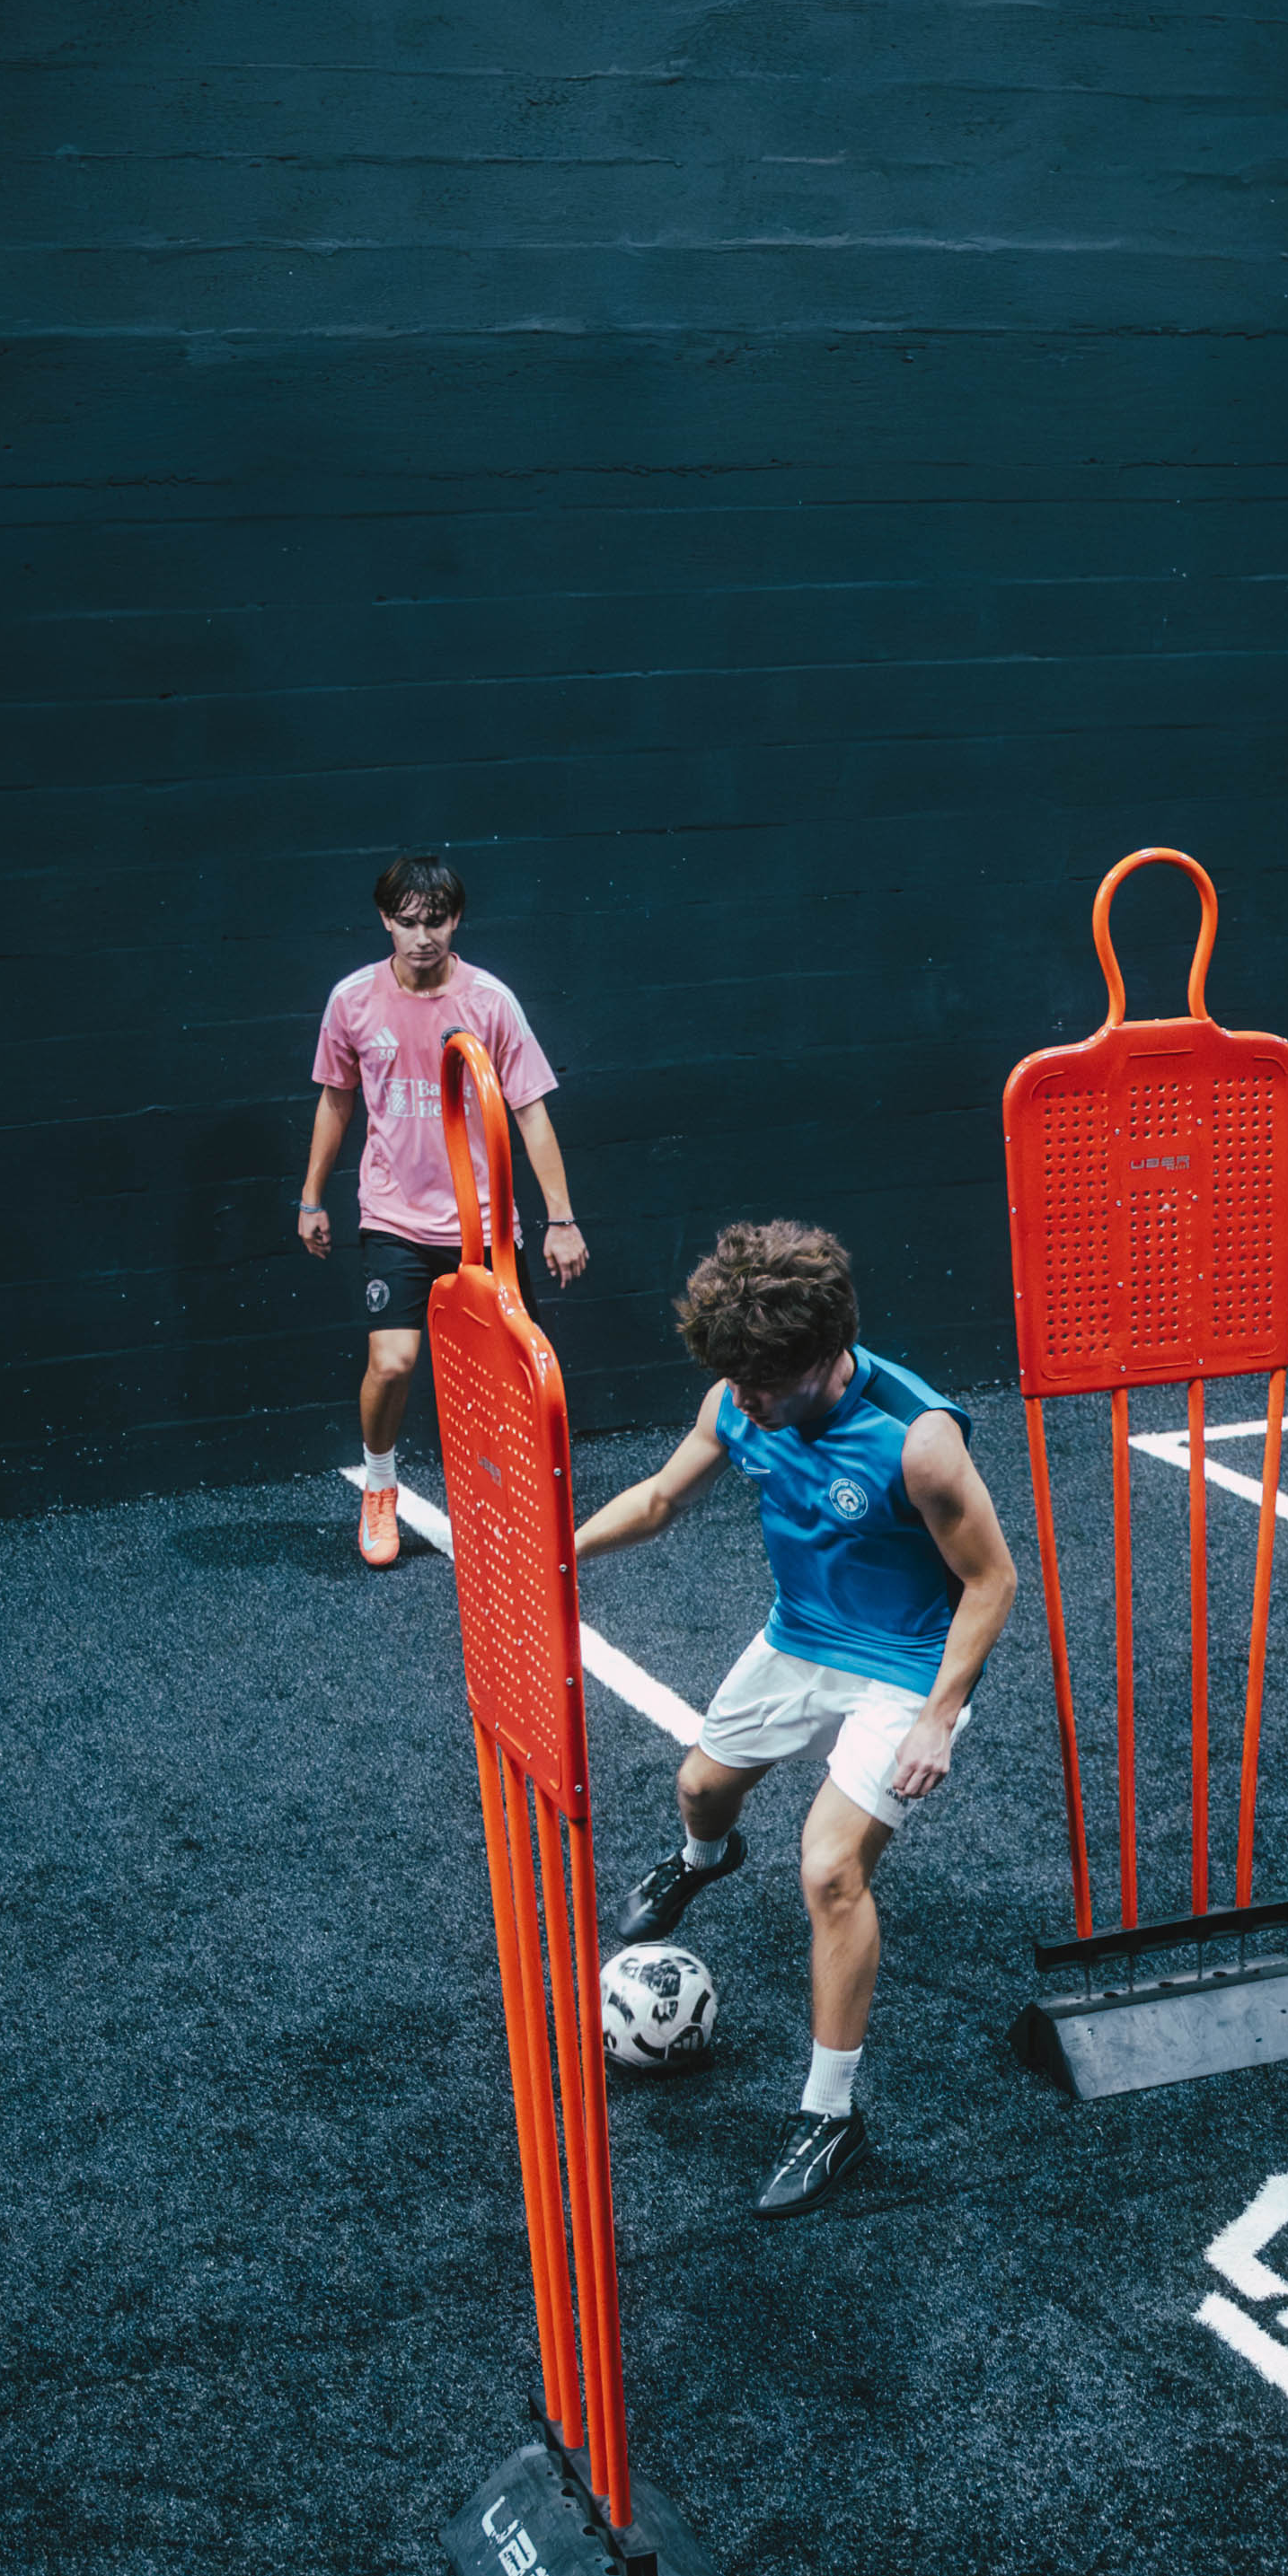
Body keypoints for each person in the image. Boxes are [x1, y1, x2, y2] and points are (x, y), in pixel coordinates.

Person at [571, 1219, 1018, 2217]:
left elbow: (992, 1581)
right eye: (730, 1383)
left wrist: (938, 1718)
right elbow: (655, 1501)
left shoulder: (919, 1441)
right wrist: (555, 1558)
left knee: (827, 1868)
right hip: (799, 1638)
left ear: (819, 1359)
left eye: (759, 1387)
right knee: (698, 1789)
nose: (740, 1405)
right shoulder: (737, 1401)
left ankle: (830, 2116)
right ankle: (700, 1862)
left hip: (903, 1665)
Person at [296, 856, 588, 1564]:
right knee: (393, 1364)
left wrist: (562, 1217)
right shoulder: (353, 1001)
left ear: (456, 921)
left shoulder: (490, 1002)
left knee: (514, 1372)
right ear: (384, 921)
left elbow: (531, 1111)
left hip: (485, 1223)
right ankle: (381, 1486)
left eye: (435, 920)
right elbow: (335, 1098)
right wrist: (309, 1198)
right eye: (407, 921)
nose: (421, 936)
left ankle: (512, 1498)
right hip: (394, 1214)